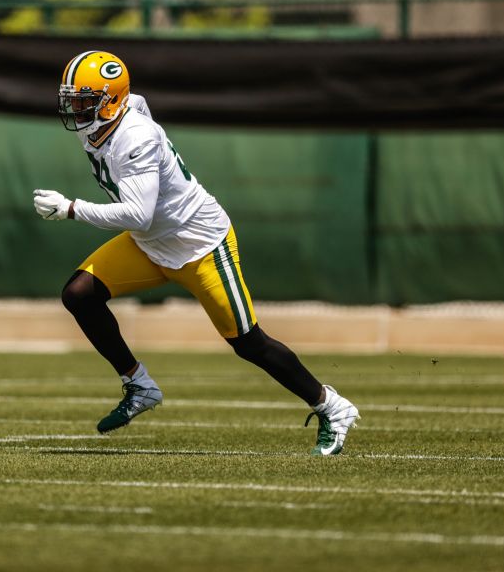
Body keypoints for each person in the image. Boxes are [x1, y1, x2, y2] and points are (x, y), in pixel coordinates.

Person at [31, 50, 360, 455]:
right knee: (79, 294)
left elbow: (137, 213)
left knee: (248, 342)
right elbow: (139, 104)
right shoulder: (115, 116)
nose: (76, 110)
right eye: (73, 100)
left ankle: (333, 406)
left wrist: (70, 208)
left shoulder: (134, 136)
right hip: (152, 243)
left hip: (200, 244)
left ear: (110, 100)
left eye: (85, 101)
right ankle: (138, 385)